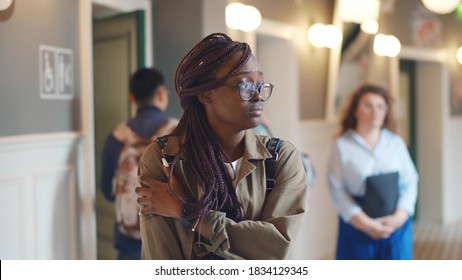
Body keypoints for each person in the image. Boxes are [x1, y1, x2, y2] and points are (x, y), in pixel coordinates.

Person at [135, 33, 308, 260]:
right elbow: (162, 258)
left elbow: (276, 248)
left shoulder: (281, 158)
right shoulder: (164, 158)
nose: (258, 96)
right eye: (245, 85)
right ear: (206, 93)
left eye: (260, 85)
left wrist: (188, 212)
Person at [327, 84, 418, 260]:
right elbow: (336, 188)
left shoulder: (396, 143)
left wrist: (399, 217)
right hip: (358, 225)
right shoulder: (342, 145)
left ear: (386, 112)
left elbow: (410, 181)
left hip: (397, 223)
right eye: (368, 105)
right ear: (356, 110)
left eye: (380, 106)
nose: (375, 111)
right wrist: (365, 223)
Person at [101, 67, 177, 260]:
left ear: (132, 99)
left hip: (129, 238)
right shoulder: (178, 132)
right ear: (161, 94)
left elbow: (107, 190)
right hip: (169, 238)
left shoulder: (117, 136)